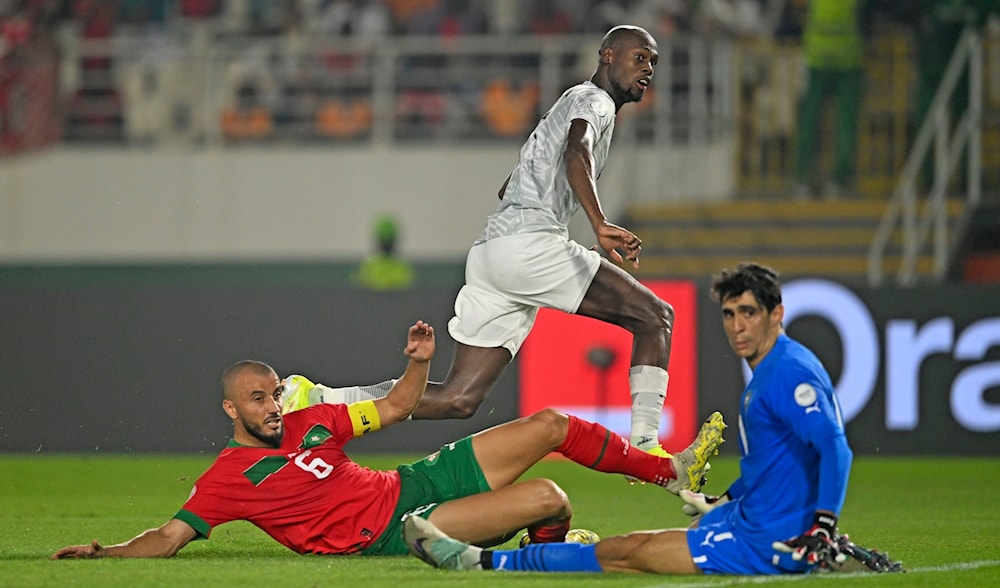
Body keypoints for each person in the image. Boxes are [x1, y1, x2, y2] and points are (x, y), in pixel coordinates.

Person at [51, 320, 726, 560]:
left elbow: (401, 405)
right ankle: (544, 555)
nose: (271, 405)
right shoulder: (227, 480)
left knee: (550, 424)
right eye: (257, 399)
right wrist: (107, 552)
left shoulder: (313, 420)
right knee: (549, 497)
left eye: (275, 392)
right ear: (231, 408)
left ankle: (669, 474)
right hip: (402, 527)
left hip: (417, 483)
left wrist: (419, 360)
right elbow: (169, 538)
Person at [404, 263, 903, 575]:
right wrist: (723, 499)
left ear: (777, 314)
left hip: (762, 542)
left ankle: (478, 560)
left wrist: (820, 523)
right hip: (749, 519)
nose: (737, 326)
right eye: (730, 314)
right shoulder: (778, 366)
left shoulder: (785, 375)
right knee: (630, 547)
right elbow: (776, 464)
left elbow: (834, 446)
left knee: (623, 553)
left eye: (749, 313)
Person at [413, 25, 676, 461]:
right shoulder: (595, 102)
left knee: (457, 398)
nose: (647, 69)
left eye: (653, 62)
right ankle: (646, 445)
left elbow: (508, 187)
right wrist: (599, 222)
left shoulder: (567, 102)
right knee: (655, 318)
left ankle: (325, 401)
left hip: (491, 253)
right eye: (639, 58)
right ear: (607, 56)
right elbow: (578, 153)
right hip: (527, 245)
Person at [792, 0, 869, 200]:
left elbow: (797, 7)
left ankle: (802, 179)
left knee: (809, 120)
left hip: (818, 56)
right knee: (845, 123)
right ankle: (838, 181)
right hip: (848, 57)